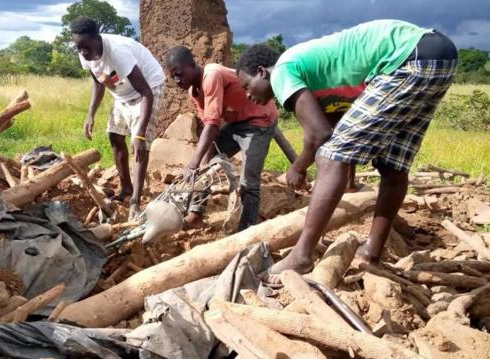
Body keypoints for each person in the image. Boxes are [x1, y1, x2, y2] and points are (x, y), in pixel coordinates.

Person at [236, 20, 458, 276]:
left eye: (246, 86)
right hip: (438, 55)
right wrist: (349, 183)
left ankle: (302, 255)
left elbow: (319, 135)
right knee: (392, 165)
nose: (248, 95)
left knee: (330, 158)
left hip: (407, 58)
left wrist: (297, 168)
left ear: (263, 72)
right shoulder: (320, 81)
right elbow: (340, 128)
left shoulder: (282, 70)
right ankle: (370, 253)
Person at [165, 45, 279, 232]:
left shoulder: (212, 75)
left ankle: (246, 230)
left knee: (249, 181)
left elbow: (212, 125)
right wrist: (201, 163)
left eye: (179, 74)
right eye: (173, 77)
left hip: (260, 122)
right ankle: (195, 215)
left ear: (192, 65)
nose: (177, 80)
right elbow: (211, 127)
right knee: (205, 164)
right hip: (236, 124)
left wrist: (192, 164)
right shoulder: (193, 92)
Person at [71, 16, 166, 219]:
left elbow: (146, 93)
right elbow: (98, 83)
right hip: (122, 92)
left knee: (138, 144)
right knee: (114, 136)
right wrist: (90, 114)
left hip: (149, 87)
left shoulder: (118, 52)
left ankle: (135, 203)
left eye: (86, 47)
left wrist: (140, 133)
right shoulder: (85, 54)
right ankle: (126, 189)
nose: (83, 53)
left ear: (98, 38)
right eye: (79, 48)